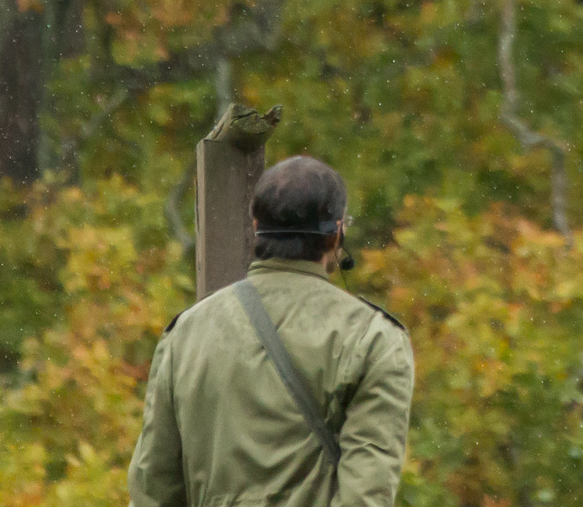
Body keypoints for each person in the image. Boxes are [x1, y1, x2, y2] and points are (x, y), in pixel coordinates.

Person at [128, 155, 415, 507]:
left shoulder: (186, 334)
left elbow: (153, 491)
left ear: (254, 226)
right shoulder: (372, 339)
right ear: (336, 234)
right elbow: (365, 497)